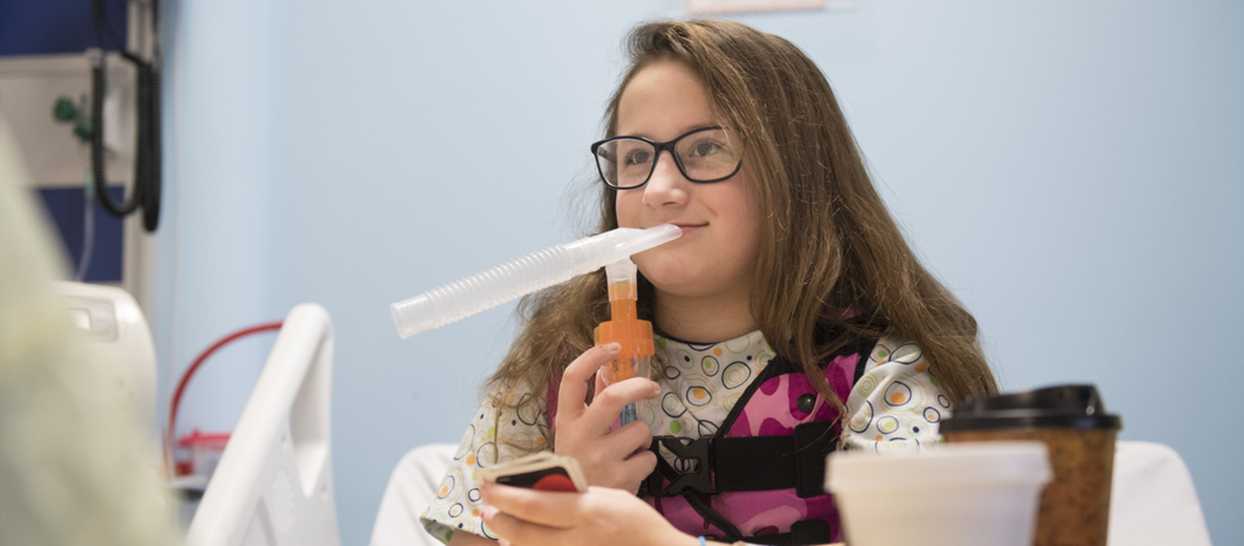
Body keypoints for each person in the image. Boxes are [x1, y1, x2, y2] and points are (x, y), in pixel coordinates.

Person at [421, 19, 996, 546]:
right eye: (635, 157)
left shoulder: (882, 373)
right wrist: (565, 492)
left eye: (705, 148)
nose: (658, 190)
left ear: (793, 174)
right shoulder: (557, 364)